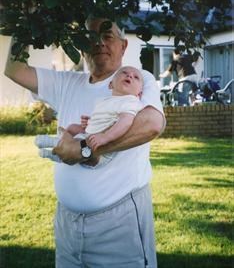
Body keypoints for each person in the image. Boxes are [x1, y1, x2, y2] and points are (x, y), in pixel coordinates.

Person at [5, 16, 166, 268]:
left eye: (107, 35)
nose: (99, 43)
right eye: (90, 37)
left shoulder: (135, 79)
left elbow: (152, 124)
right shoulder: (67, 83)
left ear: (123, 46)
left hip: (118, 226)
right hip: (67, 224)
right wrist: (28, 16)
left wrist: (86, 149)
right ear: (81, 46)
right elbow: (14, 70)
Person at [35, 65, 144, 166]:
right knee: (72, 128)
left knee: (81, 148)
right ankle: (59, 151)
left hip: (103, 147)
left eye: (136, 77)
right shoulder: (107, 101)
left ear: (138, 94)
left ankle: (55, 143)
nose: (129, 75)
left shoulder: (130, 101)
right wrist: (91, 122)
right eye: (124, 73)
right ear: (111, 84)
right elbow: (107, 118)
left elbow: (125, 122)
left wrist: (105, 137)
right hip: (92, 133)